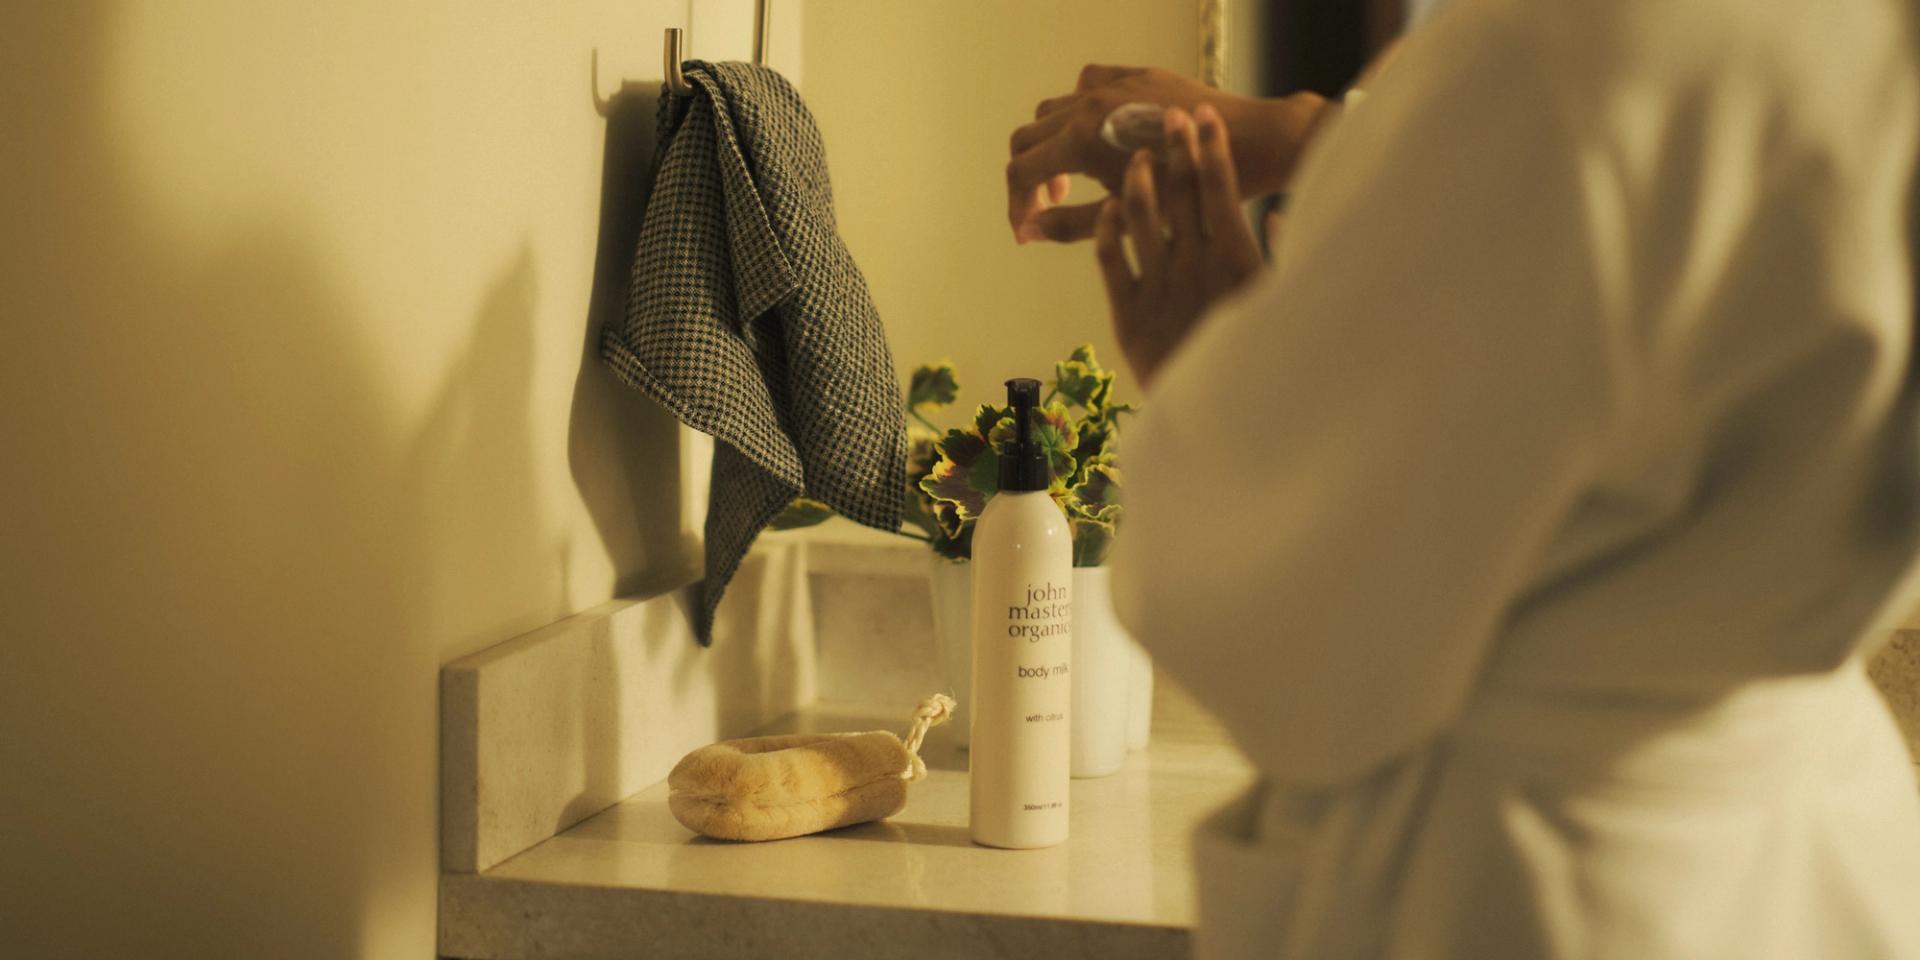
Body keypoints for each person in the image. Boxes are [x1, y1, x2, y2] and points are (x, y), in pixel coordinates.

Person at [1007, 1, 1920, 958]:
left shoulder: (1561, 54)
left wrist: (1218, 372)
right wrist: (1326, 136)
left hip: (1540, 891)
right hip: (1815, 854)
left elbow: (1279, 640)